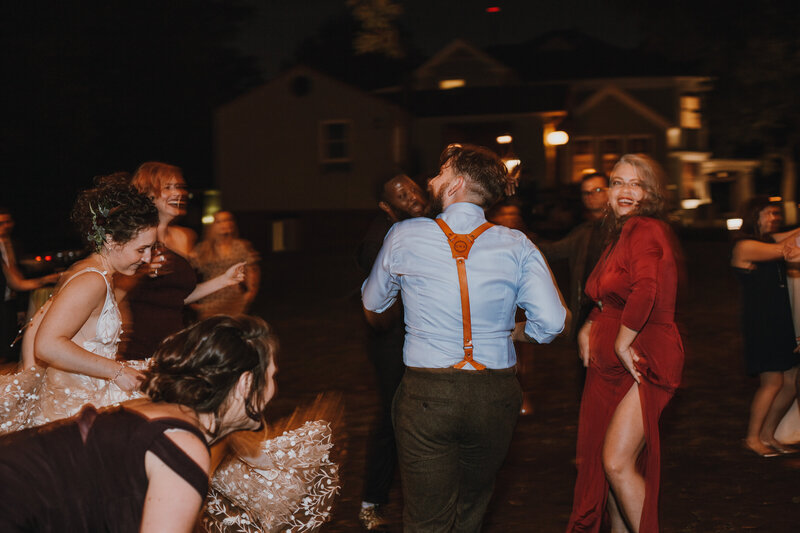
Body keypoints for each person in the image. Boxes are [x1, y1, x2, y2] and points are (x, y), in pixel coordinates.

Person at [362, 143, 566, 532]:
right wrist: (515, 331)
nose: (431, 180)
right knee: (472, 508)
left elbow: (374, 301)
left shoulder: (404, 235)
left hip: (427, 394)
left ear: (455, 185)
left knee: (426, 517)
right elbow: (553, 323)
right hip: (494, 394)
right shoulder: (517, 244)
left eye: (439, 174)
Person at [0, 315, 277, 532]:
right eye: (272, 377)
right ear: (246, 383)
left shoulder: (156, 411)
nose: (274, 389)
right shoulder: (182, 443)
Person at [566, 154, 684, 533]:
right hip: (617, 362)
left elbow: (646, 290)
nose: (625, 191)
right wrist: (591, 322)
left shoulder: (645, 228)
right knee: (610, 466)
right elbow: (609, 295)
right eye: (617, 183)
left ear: (650, 192)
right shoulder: (620, 233)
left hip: (644, 355)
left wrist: (620, 342)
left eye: (636, 183)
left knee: (616, 462)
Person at [0, 176, 158, 430]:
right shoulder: (92, 281)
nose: (148, 258)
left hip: (80, 401)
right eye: (142, 249)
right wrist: (117, 371)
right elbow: (47, 344)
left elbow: (37, 324)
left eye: (151, 248)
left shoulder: (89, 271)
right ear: (110, 240)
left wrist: (32, 380)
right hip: (75, 414)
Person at [117, 162, 245, 360]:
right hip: (139, 347)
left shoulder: (183, 238)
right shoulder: (134, 238)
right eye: (168, 187)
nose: (178, 193)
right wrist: (142, 272)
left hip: (174, 345)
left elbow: (178, 297)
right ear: (147, 194)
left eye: (179, 187)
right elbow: (114, 294)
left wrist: (225, 280)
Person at [356, 174, 427, 530]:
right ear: (387, 206)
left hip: (420, 337)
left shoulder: (425, 222)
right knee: (391, 416)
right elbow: (378, 310)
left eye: (413, 188)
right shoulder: (378, 240)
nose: (413, 196)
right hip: (392, 343)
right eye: (402, 194)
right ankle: (373, 500)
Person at [730, 197, 800, 457]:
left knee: (791, 382)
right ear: (754, 216)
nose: (774, 218)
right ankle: (752, 438)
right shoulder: (745, 246)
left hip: (781, 318)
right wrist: (789, 249)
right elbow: (784, 249)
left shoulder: (768, 240)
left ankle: (768, 435)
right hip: (762, 322)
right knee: (772, 382)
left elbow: (791, 237)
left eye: (775, 214)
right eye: (768, 214)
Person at [538, 172, 609, 338]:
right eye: (586, 192)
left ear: (610, 191)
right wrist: (519, 241)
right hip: (586, 312)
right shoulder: (584, 232)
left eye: (597, 190)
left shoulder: (622, 230)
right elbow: (553, 251)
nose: (591, 196)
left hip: (612, 313)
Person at [0, 208, 60, 363]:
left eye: (8, 222)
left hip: (11, 301)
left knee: (10, 348)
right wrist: (45, 280)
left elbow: (17, 275)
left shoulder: (13, 244)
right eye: (1, 223)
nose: (6, 226)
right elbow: (15, 281)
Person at [191, 211, 260, 319]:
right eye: (219, 221)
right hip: (210, 299)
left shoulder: (241, 246)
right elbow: (187, 270)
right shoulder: (203, 249)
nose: (225, 224)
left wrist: (251, 292)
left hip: (234, 299)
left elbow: (252, 269)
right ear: (212, 225)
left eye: (228, 220)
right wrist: (190, 299)